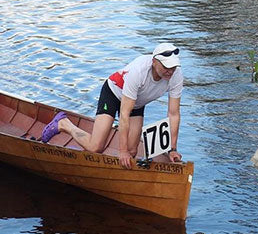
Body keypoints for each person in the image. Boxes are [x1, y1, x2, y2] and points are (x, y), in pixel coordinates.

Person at [41, 43, 184, 169]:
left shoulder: (176, 76)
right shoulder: (138, 72)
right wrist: (122, 151)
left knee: (132, 152)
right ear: (154, 62)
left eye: (173, 67)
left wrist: (172, 149)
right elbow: (124, 114)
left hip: (136, 103)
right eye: (166, 66)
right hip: (113, 94)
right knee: (96, 147)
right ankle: (64, 124)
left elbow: (173, 114)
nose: (170, 71)